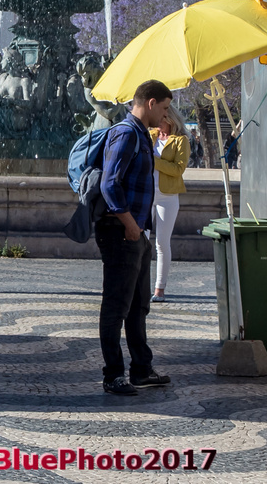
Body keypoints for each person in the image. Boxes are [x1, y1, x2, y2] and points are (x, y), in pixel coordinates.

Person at [96, 80, 173, 396]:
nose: (166, 115)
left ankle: (141, 369)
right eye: (165, 108)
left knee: (140, 304)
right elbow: (109, 185)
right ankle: (113, 374)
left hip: (136, 231)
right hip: (120, 232)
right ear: (151, 103)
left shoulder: (142, 135)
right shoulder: (127, 133)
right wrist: (129, 225)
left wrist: (138, 229)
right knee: (116, 306)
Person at [149, 105, 189, 302]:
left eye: (162, 118)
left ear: (171, 119)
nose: (158, 121)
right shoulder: (150, 135)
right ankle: (139, 284)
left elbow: (178, 169)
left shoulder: (181, 141)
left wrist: (154, 161)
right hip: (147, 193)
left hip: (168, 195)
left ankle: (160, 288)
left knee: (162, 243)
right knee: (141, 239)